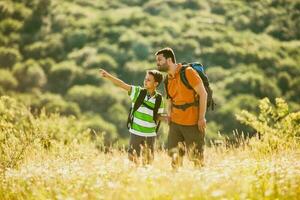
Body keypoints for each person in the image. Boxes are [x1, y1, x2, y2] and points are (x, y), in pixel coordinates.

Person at [155, 47, 207, 168]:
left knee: (197, 159)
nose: (157, 63)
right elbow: (170, 99)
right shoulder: (167, 79)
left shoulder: (188, 72)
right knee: (175, 158)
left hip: (193, 122)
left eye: (159, 60)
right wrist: (169, 115)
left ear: (169, 60)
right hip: (175, 124)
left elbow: (203, 94)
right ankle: (176, 183)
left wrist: (201, 118)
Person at [99, 69, 164, 165]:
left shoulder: (159, 99)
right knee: (132, 161)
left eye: (149, 80)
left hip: (150, 135)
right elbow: (122, 84)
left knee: (148, 163)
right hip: (135, 133)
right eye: (145, 78)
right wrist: (108, 76)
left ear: (156, 83)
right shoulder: (137, 92)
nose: (145, 81)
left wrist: (168, 118)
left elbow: (158, 116)